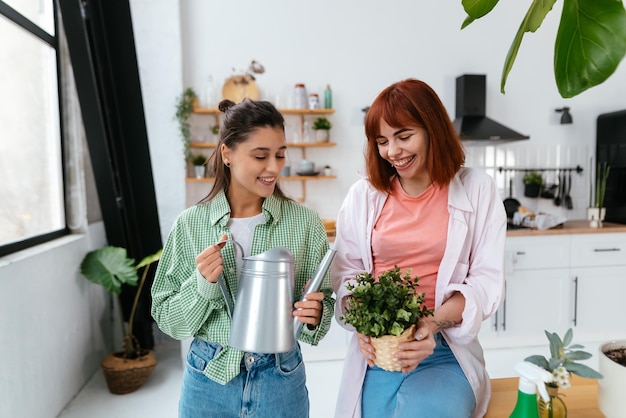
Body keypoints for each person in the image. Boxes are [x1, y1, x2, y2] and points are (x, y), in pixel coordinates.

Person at [331, 78, 506, 418]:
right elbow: (347, 272)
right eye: (382, 141)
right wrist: (364, 324)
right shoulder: (363, 196)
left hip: (442, 349)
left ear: (432, 130)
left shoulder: (477, 189)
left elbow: (486, 281)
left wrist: (431, 324)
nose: (392, 151)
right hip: (379, 351)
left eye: (404, 136)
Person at [151, 98, 335, 418]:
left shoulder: (305, 224)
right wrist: (202, 285)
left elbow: (324, 304)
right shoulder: (191, 224)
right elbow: (168, 318)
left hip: (281, 379)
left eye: (280, 154)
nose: (274, 167)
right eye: (260, 156)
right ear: (227, 154)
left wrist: (316, 313)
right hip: (209, 379)